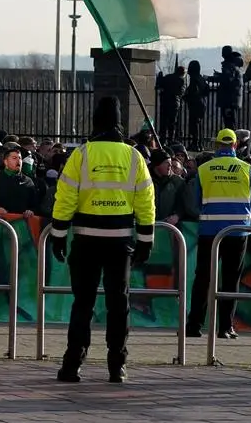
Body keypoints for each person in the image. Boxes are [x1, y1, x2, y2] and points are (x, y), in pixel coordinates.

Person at [51, 96, 156, 384]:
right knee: (118, 303)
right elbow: (146, 200)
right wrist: (146, 239)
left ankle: (72, 365)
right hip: (120, 241)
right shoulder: (133, 156)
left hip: (85, 240)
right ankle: (116, 366)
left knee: (82, 303)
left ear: (95, 121)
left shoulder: (82, 155)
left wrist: (58, 235)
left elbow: (66, 198)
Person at [183, 128, 251, 338]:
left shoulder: (204, 169)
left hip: (209, 231)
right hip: (237, 231)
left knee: (203, 278)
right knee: (231, 279)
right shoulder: (246, 169)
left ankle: (194, 326)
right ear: (235, 145)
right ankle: (225, 327)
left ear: (217, 145)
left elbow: (196, 202)